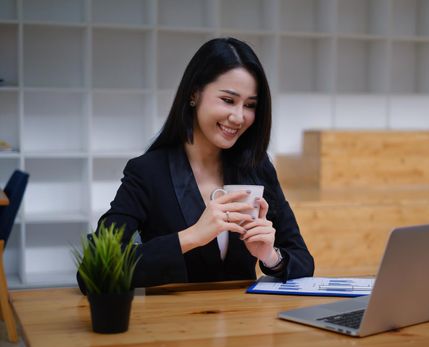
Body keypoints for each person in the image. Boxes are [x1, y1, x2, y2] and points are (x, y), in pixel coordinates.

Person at [77, 37, 314, 293]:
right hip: (174, 326)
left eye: (250, 105)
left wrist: (270, 255)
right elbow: (93, 269)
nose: (238, 117)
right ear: (194, 94)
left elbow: (302, 260)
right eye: (227, 100)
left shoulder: (257, 167)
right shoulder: (148, 172)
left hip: (245, 324)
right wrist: (191, 237)